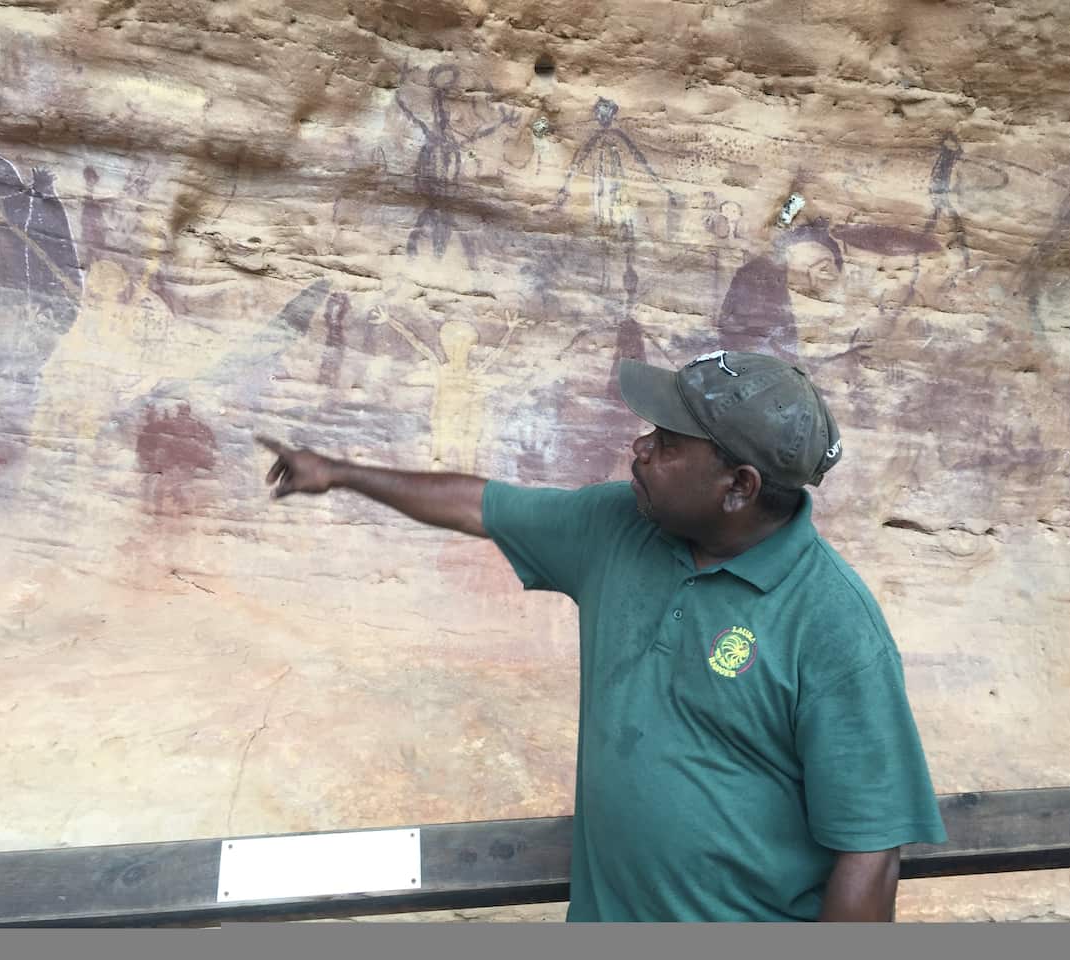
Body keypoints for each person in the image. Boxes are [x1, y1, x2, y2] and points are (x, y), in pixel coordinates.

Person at [256, 349, 947, 922]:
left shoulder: (832, 622)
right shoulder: (619, 525)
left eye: (668, 444)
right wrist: (340, 473)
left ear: (738, 486)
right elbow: (481, 506)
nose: (640, 449)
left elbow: (870, 851)